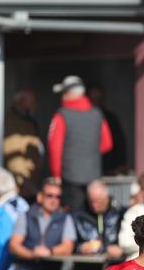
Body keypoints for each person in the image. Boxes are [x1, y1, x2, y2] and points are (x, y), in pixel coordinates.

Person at [47, 76, 113, 211]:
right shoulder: (97, 114)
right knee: (93, 212)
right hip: (94, 175)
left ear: (69, 94)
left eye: (63, 93)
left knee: (73, 216)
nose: (62, 97)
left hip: (70, 178)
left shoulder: (61, 115)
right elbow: (107, 144)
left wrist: (56, 175)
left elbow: (54, 148)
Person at [8, 178, 76, 270]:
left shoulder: (65, 218)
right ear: (40, 197)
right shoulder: (26, 216)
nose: (54, 200)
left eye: (58, 197)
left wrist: (49, 251)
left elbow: (68, 247)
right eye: (50, 195)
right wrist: (32, 254)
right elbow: (14, 245)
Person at [3, 88, 43, 201]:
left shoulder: (28, 120)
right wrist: (22, 180)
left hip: (31, 178)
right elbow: (14, 154)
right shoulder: (12, 123)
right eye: (32, 101)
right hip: (24, 183)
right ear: (20, 101)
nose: (35, 104)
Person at [86, 83, 128, 175]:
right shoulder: (80, 119)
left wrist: (121, 164)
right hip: (85, 169)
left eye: (98, 98)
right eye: (93, 99)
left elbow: (119, 142)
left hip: (108, 167)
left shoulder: (110, 118)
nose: (95, 102)